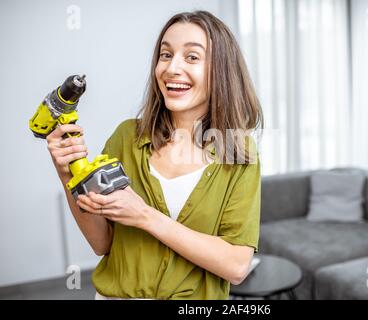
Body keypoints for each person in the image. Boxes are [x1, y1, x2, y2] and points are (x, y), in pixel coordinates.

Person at [45, 10, 263, 300]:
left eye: (192, 57)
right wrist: (67, 174)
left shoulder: (239, 153)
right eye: (165, 54)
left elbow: (236, 266)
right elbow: (102, 243)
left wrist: (145, 216)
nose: (172, 68)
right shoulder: (127, 137)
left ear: (221, 70)